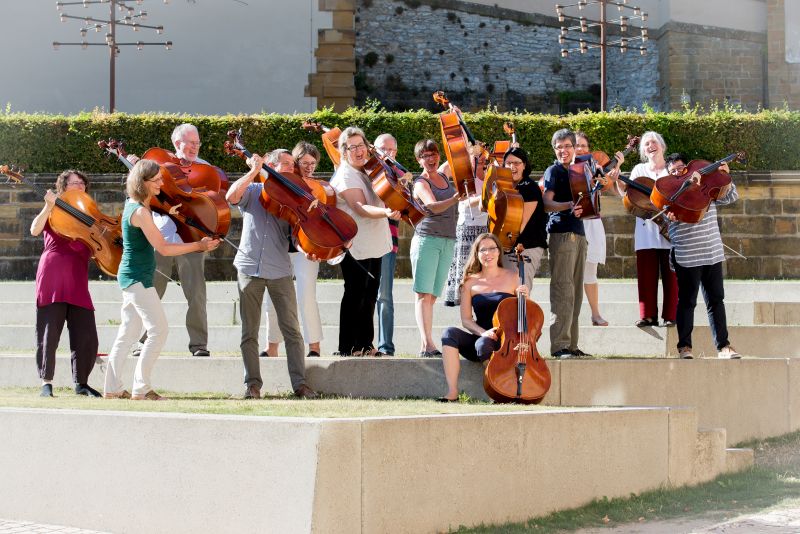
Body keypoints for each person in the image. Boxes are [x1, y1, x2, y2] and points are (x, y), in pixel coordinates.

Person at [103, 160, 220, 400]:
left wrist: (170, 212)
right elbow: (164, 248)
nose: (160, 183)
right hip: (137, 278)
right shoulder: (140, 212)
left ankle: (112, 388)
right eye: (155, 180)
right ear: (142, 182)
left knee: (127, 334)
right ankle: (142, 388)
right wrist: (198, 245)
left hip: (134, 276)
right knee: (159, 330)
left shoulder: (137, 205)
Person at [226, 150, 319, 399]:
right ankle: (252, 385)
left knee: (292, 331)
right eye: (285, 163)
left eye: (292, 164)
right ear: (271, 165)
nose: (291, 167)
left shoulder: (295, 198)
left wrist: (308, 250)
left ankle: (300, 384)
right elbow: (231, 196)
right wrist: (254, 171)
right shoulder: (254, 190)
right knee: (249, 331)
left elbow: (297, 237)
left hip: (279, 270)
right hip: (249, 268)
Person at [127, 123, 212, 357]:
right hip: (160, 237)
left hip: (191, 237)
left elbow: (211, 203)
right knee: (152, 291)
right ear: (177, 143)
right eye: (190, 142)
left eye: (197, 143)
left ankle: (199, 345)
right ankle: (143, 342)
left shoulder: (204, 168)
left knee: (196, 294)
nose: (195, 147)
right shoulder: (158, 168)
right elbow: (139, 198)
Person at [330, 126, 400, 356]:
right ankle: (348, 347)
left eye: (361, 145)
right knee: (355, 293)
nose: (359, 151)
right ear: (344, 151)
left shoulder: (370, 168)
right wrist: (387, 212)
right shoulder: (345, 174)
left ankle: (365, 345)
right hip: (354, 244)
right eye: (353, 147)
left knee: (370, 293)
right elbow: (360, 207)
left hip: (374, 241)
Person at [31, 170, 100, 397]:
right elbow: (34, 229)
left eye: (82, 183)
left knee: (86, 333)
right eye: (73, 183)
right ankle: (46, 383)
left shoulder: (89, 213)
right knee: (49, 331)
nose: (79, 186)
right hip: (53, 275)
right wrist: (48, 206)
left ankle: (82, 383)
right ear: (63, 187)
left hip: (78, 277)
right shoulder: (54, 209)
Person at [664, 153, 741, 360]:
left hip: (711, 251)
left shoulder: (707, 188)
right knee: (687, 302)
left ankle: (724, 346)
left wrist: (725, 177)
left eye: (681, 168)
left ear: (689, 169)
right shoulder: (670, 192)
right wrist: (672, 213)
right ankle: (684, 347)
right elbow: (667, 219)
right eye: (673, 171)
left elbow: (732, 197)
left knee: (716, 300)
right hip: (687, 255)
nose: (678, 173)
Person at [438, 233, 528, 402]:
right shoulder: (469, 282)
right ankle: (452, 392)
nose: (488, 253)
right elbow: (466, 319)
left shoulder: (513, 277)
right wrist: (483, 332)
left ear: (499, 251)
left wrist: (525, 297)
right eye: (483, 250)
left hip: (506, 342)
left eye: (492, 249)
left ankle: (500, 390)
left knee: (483, 344)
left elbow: (524, 313)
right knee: (449, 334)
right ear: (477, 254)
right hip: (481, 337)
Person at [261, 145, 324, 359]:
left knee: (306, 295)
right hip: (278, 246)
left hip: (306, 245)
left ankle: (314, 346)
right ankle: (272, 346)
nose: (308, 168)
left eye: (312, 163)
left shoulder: (316, 187)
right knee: (272, 298)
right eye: (303, 163)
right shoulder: (275, 182)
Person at [622, 131, 678, 328]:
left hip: (670, 226)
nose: (650, 146)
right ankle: (647, 316)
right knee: (646, 275)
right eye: (646, 144)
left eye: (654, 142)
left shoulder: (671, 169)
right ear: (643, 151)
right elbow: (629, 196)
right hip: (646, 228)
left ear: (662, 146)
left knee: (672, 275)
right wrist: (617, 178)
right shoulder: (639, 169)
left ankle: (671, 315)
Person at [542, 128, 589, 359]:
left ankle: (572, 345)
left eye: (567, 146)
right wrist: (568, 205)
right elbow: (546, 203)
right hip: (561, 234)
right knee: (563, 290)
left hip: (579, 234)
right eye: (559, 147)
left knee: (576, 294)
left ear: (574, 147)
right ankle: (559, 345)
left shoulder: (580, 170)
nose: (563, 151)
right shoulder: (554, 171)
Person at [411, 139, 460, 357]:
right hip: (427, 240)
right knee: (424, 294)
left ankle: (426, 344)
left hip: (448, 240)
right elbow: (432, 206)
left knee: (432, 296)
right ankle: (427, 344)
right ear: (418, 160)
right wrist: (455, 198)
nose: (430, 159)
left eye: (433, 154)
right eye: (425, 156)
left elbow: (459, 153)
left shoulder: (443, 174)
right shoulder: (420, 183)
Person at [573, 131, 625, 326]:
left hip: (592, 222)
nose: (580, 149)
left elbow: (610, 188)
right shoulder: (563, 167)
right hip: (572, 223)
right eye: (576, 145)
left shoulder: (595, 167)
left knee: (590, 271)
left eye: (584, 146)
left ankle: (595, 314)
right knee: (569, 273)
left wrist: (616, 168)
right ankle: (571, 316)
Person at [442, 150, 488, 308]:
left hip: (485, 228)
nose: (481, 161)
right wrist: (485, 196)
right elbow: (464, 203)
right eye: (476, 158)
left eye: (483, 158)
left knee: (482, 271)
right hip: (467, 228)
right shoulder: (465, 178)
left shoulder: (490, 175)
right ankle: (466, 307)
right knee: (466, 270)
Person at [501, 146, 548, 291]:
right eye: (508, 163)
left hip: (527, 246)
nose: (512, 167)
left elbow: (520, 224)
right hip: (507, 244)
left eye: (517, 163)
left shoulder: (530, 188)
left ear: (524, 165)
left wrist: (500, 242)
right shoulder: (504, 186)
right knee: (507, 291)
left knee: (521, 290)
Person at [374, 133, 400, 356]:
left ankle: (386, 346)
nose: (387, 153)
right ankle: (362, 344)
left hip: (388, 241)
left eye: (391, 150)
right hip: (364, 240)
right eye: (383, 148)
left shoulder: (399, 174)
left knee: (384, 296)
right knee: (362, 294)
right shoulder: (364, 171)